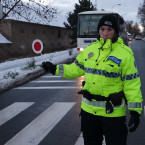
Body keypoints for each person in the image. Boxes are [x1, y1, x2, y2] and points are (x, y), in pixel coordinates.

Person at [41, 14, 143, 145]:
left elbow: (132, 83)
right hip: (89, 112)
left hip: (112, 113)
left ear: (115, 31)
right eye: (102, 29)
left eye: (109, 29)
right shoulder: (90, 49)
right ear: (99, 30)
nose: (105, 33)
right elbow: (75, 69)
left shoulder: (125, 54)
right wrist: (55, 69)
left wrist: (135, 112)